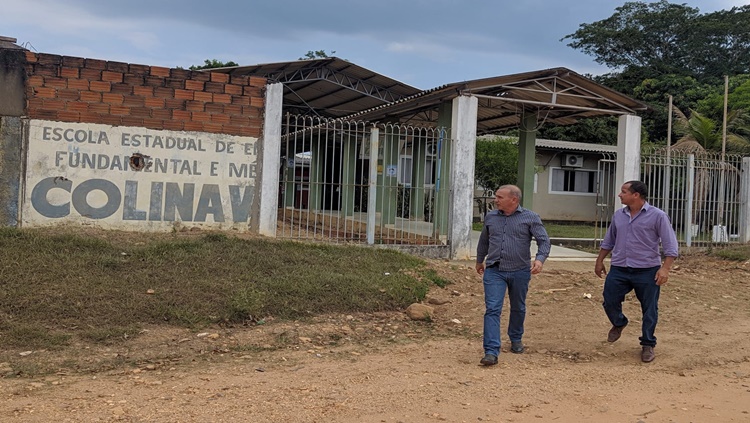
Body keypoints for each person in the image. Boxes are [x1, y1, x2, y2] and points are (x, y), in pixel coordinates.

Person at [595, 180, 678, 363]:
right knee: (609, 299)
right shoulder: (619, 215)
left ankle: (648, 344)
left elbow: (670, 245)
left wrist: (665, 269)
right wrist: (600, 260)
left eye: (623, 191)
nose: (619, 195)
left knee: (649, 308)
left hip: (647, 270)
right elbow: (609, 240)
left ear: (636, 195)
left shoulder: (658, 216)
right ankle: (619, 322)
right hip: (620, 268)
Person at [475, 184, 550, 366]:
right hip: (495, 270)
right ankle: (491, 351)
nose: (496, 200)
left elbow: (544, 241)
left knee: (518, 306)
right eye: (496, 196)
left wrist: (539, 260)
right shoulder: (491, 217)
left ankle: (516, 338)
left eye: (500, 197)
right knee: (492, 308)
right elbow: (484, 240)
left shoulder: (530, 218)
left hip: (520, 271)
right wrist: (479, 259)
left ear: (513, 200)